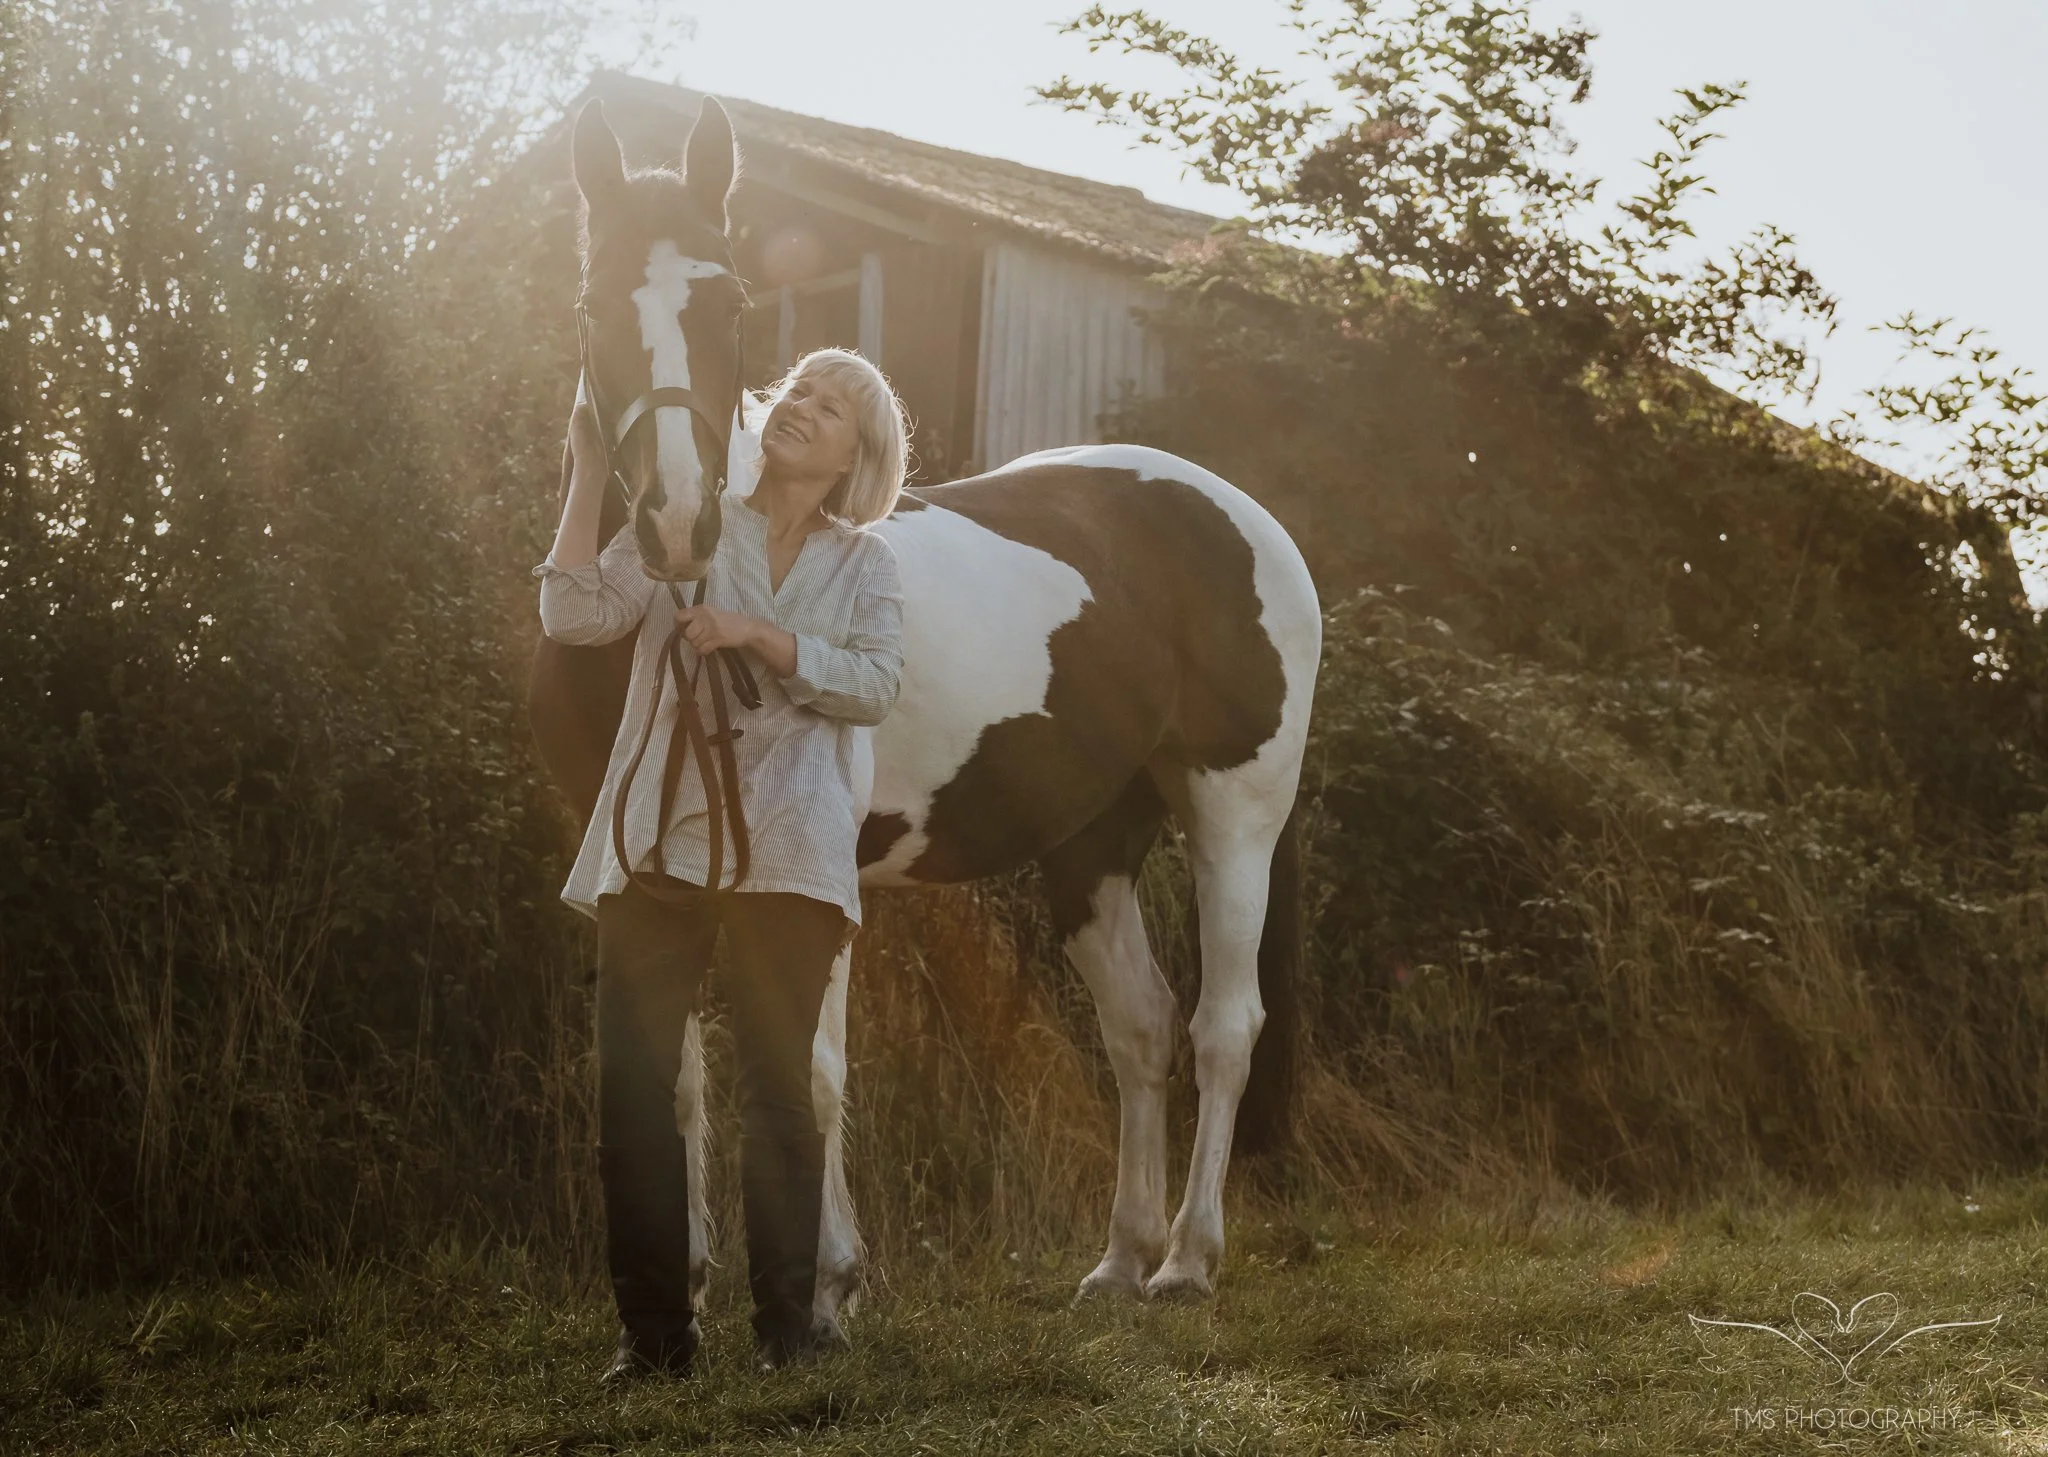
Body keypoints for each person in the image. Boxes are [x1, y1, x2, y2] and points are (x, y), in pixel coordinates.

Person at [533, 347, 908, 1382]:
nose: (799, 409)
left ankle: (788, 1332)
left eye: (828, 407)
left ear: (854, 455)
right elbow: (572, 614)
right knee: (633, 1091)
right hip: (659, 843)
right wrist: (583, 470)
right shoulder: (685, 522)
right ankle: (653, 1338)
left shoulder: (865, 563)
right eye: (795, 392)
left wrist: (757, 634)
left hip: (792, 852)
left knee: (780, 1093)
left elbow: (874, 684)